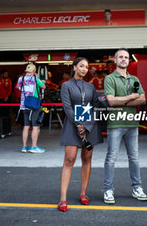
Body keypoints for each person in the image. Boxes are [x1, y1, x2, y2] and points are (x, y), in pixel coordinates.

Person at [103, 48, 147, 204]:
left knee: (134, 158)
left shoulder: (134, 78)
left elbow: (142, 99)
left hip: (132, 124)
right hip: (115, 123)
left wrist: (123, 100)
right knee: (111, 158)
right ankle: (108, 190)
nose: (123, 59)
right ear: (115, 60)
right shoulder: (110, 78)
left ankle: (137, 187)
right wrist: (131, 97)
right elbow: (111, 101)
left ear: (129, 60)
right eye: (120, 57)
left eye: (126, 57)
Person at [58, 57, 102, 212]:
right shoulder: (66, 86)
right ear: (75, 67)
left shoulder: (90, 87)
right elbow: (67, 108)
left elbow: (95, 106)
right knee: (69, 160)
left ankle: (83, 193)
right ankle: (63, 199)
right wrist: (78, 124)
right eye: (81, 66)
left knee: (87, 158)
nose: (84, 69)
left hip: (89, 127)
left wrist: (87, 125)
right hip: (72, 126)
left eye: (86, 67)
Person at [16, 63, 46, 153]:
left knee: (26, 126)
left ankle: (24, 147)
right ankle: (34, 147)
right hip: (34, 105)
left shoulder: (21, 78)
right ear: (34, 71)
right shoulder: (35, 78)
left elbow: (18, 87)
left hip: (24, 104)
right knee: (35, 126)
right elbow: (43, 87)